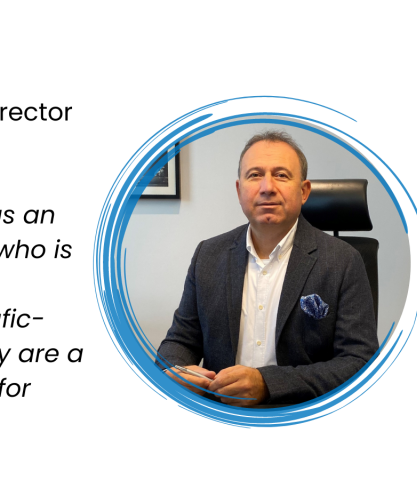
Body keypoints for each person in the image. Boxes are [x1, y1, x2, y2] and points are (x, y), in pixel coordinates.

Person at [156, 130, 379, 406]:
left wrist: (268, 384)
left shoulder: (343, 260)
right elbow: (180, 340)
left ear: (304, 191)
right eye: (255, 175)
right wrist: (174, 372)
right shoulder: (208, 255)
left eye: (281, 175)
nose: (267, 187)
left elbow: (359, 362)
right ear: (239, 190)